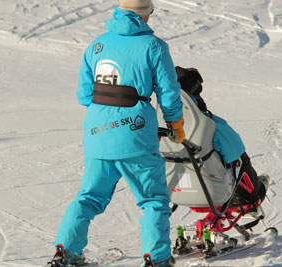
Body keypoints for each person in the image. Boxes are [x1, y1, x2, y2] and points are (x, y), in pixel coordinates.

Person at [49, 1, 184, 267]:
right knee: (153, 200)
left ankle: (65, 253)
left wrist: (107, 116)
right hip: (135, 135)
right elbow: (168, 92)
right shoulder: (154, 46)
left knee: (88, 197)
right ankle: (157, 260)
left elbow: (84, 94)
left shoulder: (97, 43)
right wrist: (175, 123)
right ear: (146, 13)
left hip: (97, 133)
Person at [174, 66, 268, 205]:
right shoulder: (209, 125)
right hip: (216, 192)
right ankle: (253, 195)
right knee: (239, 158)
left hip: (177, 190)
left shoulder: (159, 123)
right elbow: (234, 152)